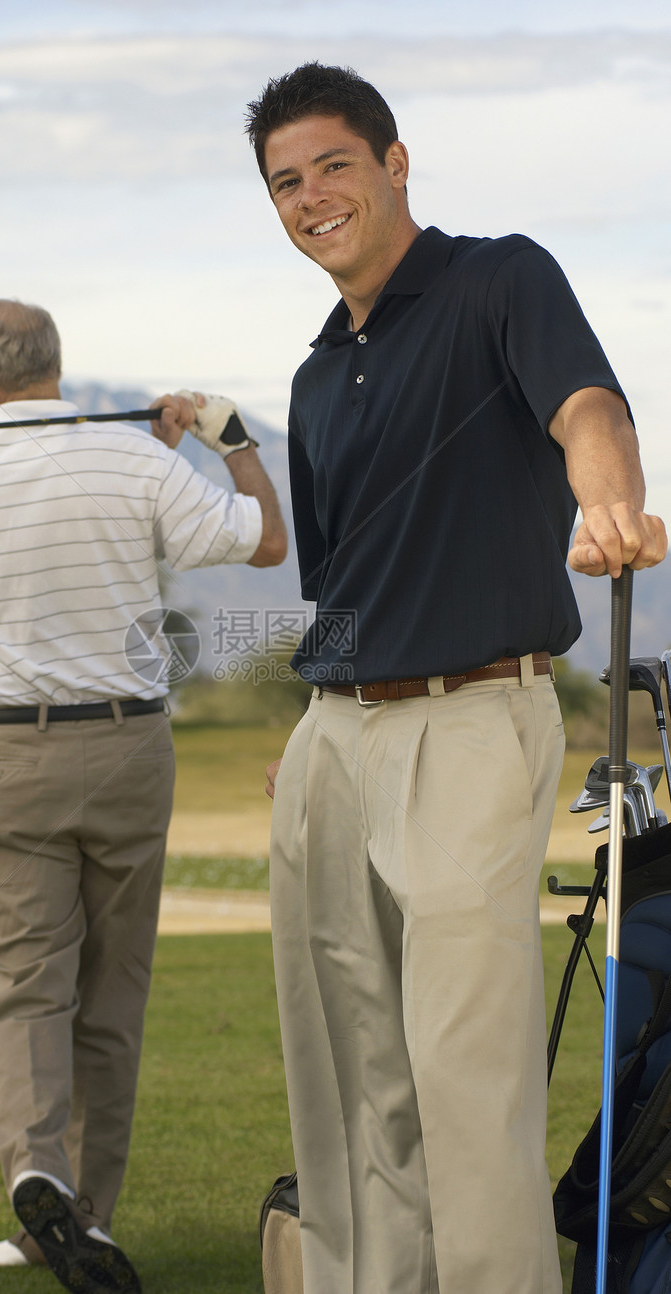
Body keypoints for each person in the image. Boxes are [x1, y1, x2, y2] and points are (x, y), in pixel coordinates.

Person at [245, 62, 666, 1294]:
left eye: (332, 164)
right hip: (332, 740)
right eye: (284, 181)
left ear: (393, 163)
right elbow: (339, 581)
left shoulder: (501, 277)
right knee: (347, 1065)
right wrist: (315, 715)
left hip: (473, 720)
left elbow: (588, 406)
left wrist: (609, 504)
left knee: (460, 1063)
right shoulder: (317, 373)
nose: (311, 195)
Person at [0, 299, 286, 1294]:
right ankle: (81, 1216)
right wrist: (228, 438)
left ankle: (36, 1178)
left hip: (15, 754)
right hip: (131, 748)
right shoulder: (136, 460)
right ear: (57, 364)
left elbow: (30, 464)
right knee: (110, 993)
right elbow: (265, 541)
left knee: (25, 985)